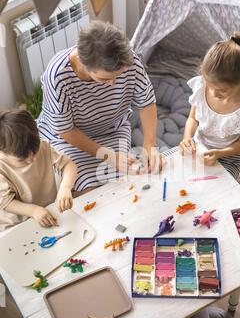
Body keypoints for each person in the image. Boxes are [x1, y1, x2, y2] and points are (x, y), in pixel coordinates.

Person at [37, 21, 163, 192]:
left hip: (113, 129)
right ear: (82, 62)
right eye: (105, 79)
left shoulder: (128, 61)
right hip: (69, 138)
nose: (113, 84)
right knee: (84, 187)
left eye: (118, 76)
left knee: (123, 183)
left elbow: (146, 102)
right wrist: (107, 155)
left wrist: (150, 144)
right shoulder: (58, 77)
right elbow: (65, 130)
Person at [179, 32, 240, 179]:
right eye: (210, 86)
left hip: (229, 157)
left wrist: (219, 153)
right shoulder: (202, 87)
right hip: (199, 147)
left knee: (217, 191)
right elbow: (193, 119)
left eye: (222, 90)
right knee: (181, 179)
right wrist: (187, 137)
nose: (214, 93)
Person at [0, 110, 77, 231]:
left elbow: (68, 165)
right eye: (22, 160)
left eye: (35, 153)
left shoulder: (42, 146)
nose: (31, 160)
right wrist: (34, 210)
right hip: (15, 223)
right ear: (2, 153)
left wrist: (65, 187)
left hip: (47, 211)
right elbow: (6, 202)